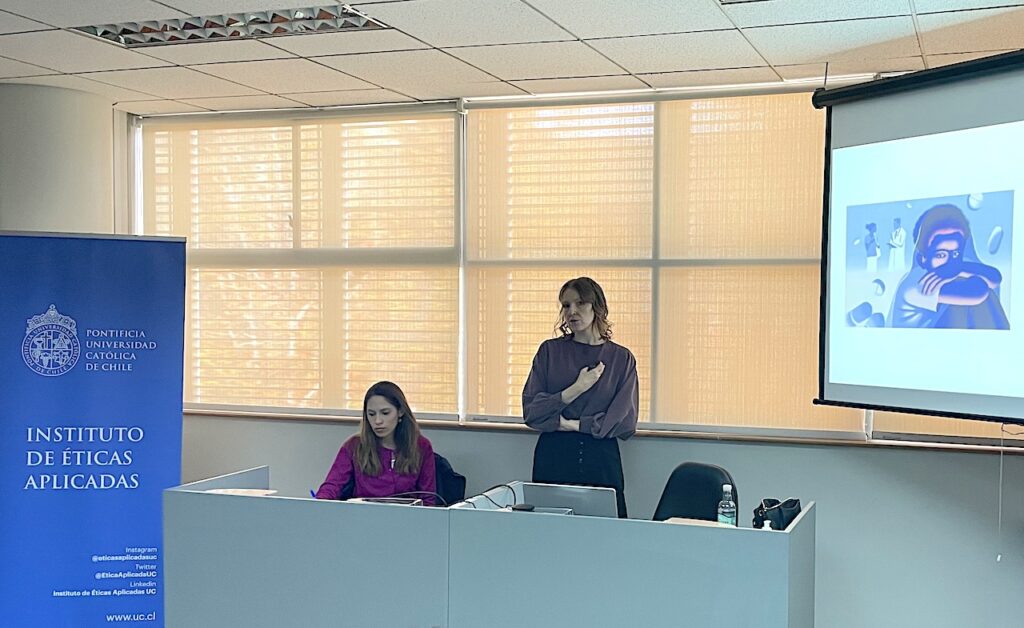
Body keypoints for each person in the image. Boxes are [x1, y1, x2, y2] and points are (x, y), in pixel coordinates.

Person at [522, 277, 639, 518]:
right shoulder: (549, 352)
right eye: (566, 305)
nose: (572, 312)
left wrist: (571, 424)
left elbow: (624, 422)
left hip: (601, 457)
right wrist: (576, 389)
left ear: (597, 307)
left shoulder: (621, 359)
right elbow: (532, 412)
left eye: (580, 303)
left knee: (605, 535)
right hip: (554, 455)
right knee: (550, 533)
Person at [315, 381, 437, 504]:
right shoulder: (354, 446)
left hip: (406, 518)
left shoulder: (421, 446)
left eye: (385, 413)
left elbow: (428, 499)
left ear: (400, 411)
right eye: (371, 414)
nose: (377, 421)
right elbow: (332, 486)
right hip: (363, 516)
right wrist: (318, 505)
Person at [889, 204, 1008, 329]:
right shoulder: (918, 281)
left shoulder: (954, 266)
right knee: (968, 300)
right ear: (923, 258)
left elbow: (995, 278)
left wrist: (960, 268)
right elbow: (979, 293)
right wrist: (961, 270)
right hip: (920, 344)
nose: (949, 262)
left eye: (956, 253)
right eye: (941, 255)